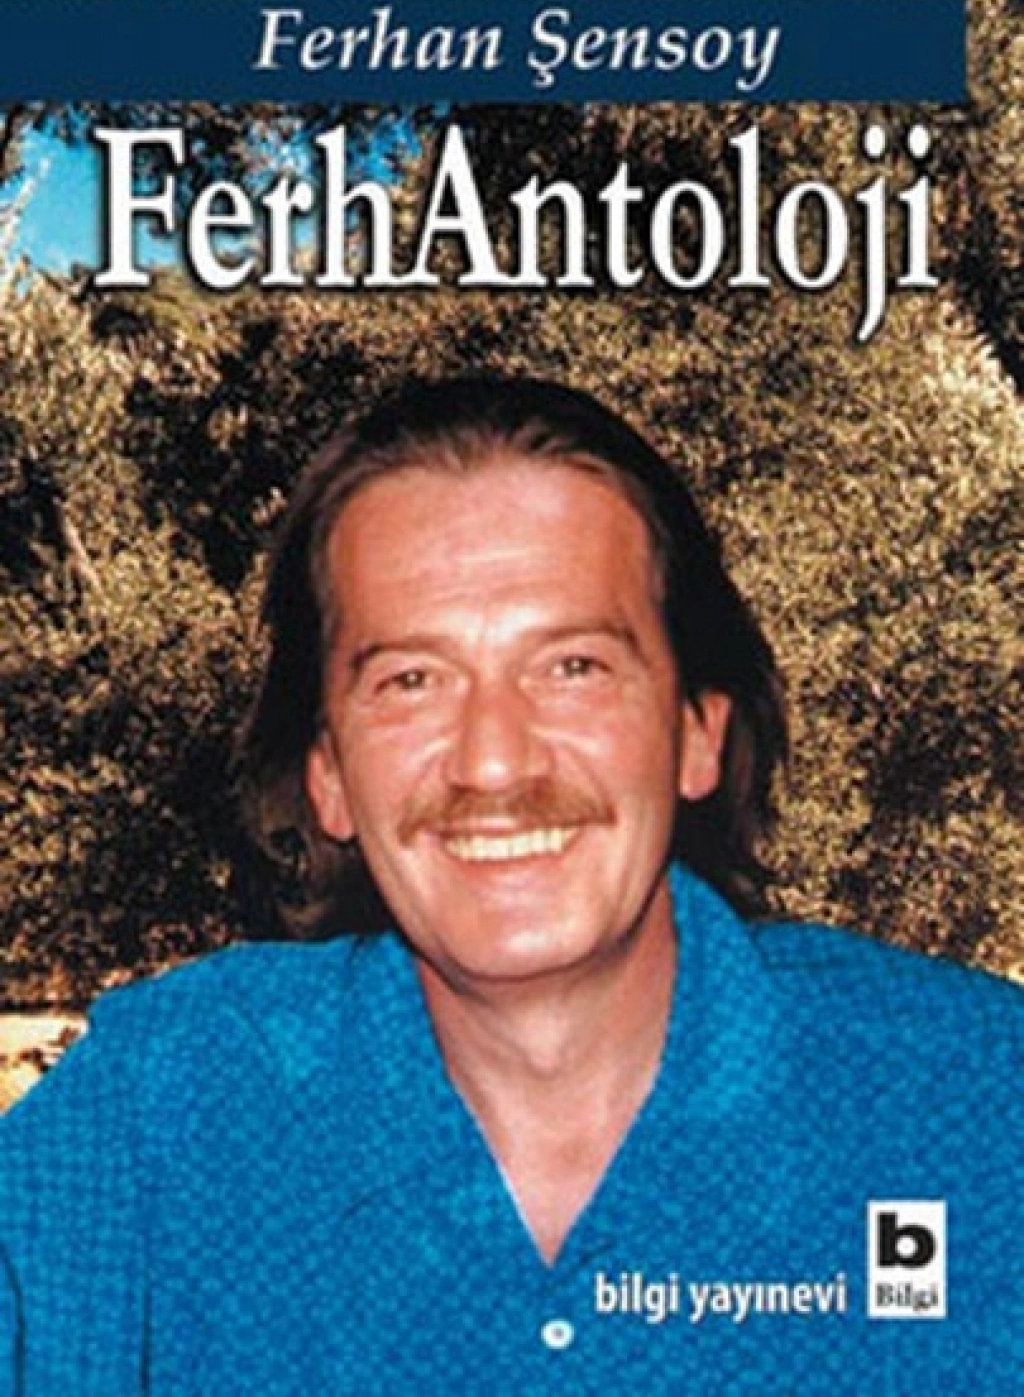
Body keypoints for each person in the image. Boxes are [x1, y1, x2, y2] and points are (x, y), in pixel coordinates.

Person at [1, 376, 1020, 1395]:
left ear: (696, 733)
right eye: (411, 680)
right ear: (329, 775)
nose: (493, 761)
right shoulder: (160, 1119)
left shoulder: (971, 1103)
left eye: (572, 666)